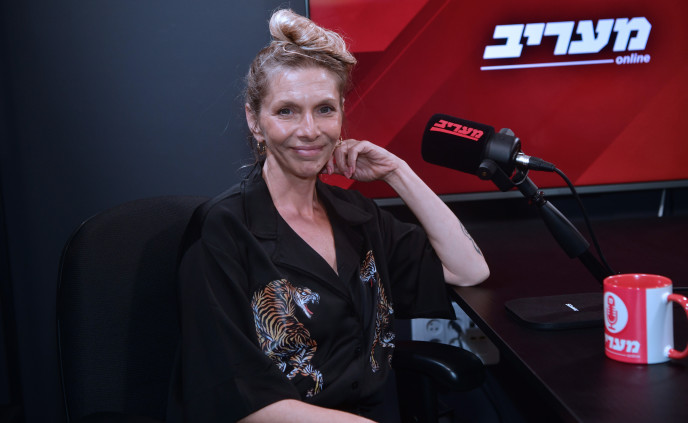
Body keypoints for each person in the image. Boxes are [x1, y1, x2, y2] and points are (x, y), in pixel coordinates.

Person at [168, 8, 489, 423]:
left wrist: (398, 172)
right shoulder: (223, 230)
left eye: (324, 109)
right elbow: (237, 399)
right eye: (286, 111)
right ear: (255, 121)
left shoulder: (357, 217)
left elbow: (468, 269)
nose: (309, 130)